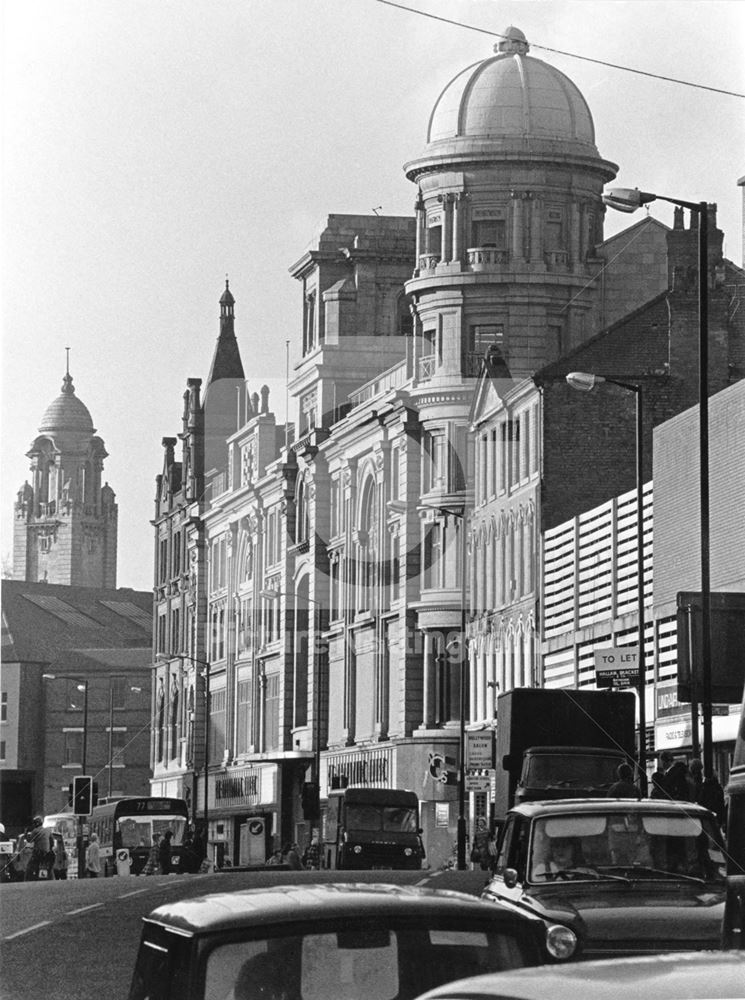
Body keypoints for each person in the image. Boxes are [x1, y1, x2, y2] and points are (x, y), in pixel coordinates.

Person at [25, 816, 52, 881]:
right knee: (50, 867)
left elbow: (30, 840)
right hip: (47, 853)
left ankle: (28, 880)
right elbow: (52, 841)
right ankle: (50, 878)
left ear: (36, 824)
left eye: (34, 823)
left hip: (38, 853)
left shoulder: (35, 831)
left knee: (29, 867)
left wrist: (26, 833)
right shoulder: (48, 830)